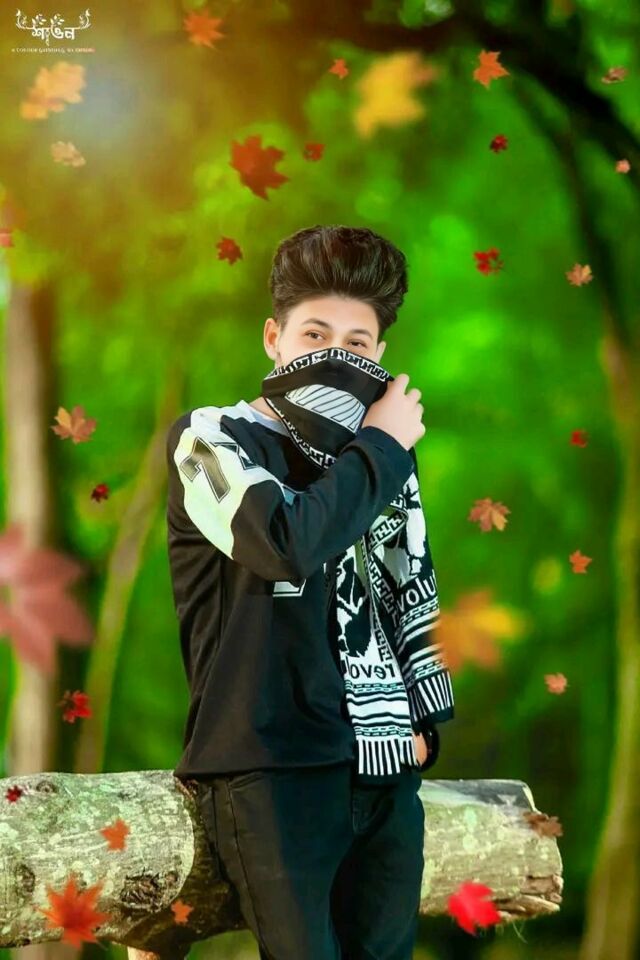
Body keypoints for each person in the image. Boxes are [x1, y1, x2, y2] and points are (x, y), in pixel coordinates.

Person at [165, 225, 455, 959]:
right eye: (315, 335)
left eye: (357, 344)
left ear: (380, 354)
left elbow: (408, 581)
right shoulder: (210, 441)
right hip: (272, 767)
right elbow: (283, 544)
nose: (336, 356)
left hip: (385, 767)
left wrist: (424, 721)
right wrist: (382, 447)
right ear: (274, 338)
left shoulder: (380, 455)